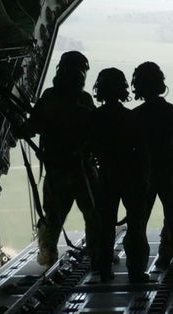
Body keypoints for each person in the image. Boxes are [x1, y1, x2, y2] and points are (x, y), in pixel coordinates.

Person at [18, 51, 98, 268]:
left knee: (56, 217)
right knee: (91, 215)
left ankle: (49, 256)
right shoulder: (82, 100)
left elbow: (31, 127)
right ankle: (96, 253)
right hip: (78, 169)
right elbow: (96, 131)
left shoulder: (51, 98)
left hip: (62, 170)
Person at [131, 62, 173, 278]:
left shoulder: (136, 115)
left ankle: (137, 270)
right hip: (170, 173)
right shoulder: (172, 112)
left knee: (138, 222)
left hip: (143, 174)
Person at [88, 68, 150, 282]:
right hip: (130, 176)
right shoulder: (131, 117)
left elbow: (88, 147)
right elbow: (141, 150)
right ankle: (136, 271)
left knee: (105, 225)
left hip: (106, 175)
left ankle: (105, 270)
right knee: (135, 225)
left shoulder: (94, 118)